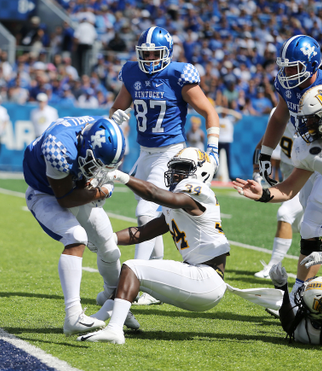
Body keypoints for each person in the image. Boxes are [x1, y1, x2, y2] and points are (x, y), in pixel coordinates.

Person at [78, 148, 281, 344]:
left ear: (201, 172)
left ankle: (114, 329)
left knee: (132, 267)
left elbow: (154, 194)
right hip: (199, 280)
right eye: (175, 167)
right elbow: (142, 233)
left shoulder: (199, 192)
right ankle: (109, 315)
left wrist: (121, 177)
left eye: (183, 167)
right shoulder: (178, 204)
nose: (175, 173)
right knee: (133, 273)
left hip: (206, 279)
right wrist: (107, 239)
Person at [108, 26, 220, 305]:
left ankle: (135, 280)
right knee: (153, 219)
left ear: (167, 53)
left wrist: (213, 147)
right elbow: (117, 108)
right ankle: (152, 283)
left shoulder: (177, 74)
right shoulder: (132, 72)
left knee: (146, 212)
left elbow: (209, 111)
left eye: (154, 53)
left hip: (170, 152)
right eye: (144, 54)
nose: (148, 59)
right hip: (144, 152)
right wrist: (118, 118)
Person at [257, 35, 322, 301]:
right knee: (320, 227)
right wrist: (265, 151)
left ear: (312, 64)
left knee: (312, 227)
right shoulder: (287, 88)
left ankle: (300, 293)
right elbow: (280, 113)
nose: (286, 75)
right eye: (283, 67)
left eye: (293, 68)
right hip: (311, 153)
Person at [23, 116, 131, 335]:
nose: (100, 171)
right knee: (77, 236)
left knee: (109, 246)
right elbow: (65, 198)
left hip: (72, 185)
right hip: (45, 192)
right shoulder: (59, 148)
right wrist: (101, 191)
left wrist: (92, 184)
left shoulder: (92, 129)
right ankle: (72, 316)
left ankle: (116, 304)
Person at [235, 85, 322, 278]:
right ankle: (300, 293)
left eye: (311, 118)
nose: (304, 124)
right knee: (314, 230)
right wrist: (264, 194)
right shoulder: (310, 149)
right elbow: (290, 187)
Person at [252, 110, 304, 279]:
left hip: (315, 173)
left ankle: (273, 267)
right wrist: (257, 175)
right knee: (306, 224)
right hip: (293, 175)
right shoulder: (279, 112)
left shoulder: (312, 107)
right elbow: (261, 146)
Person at [268, 252, 322, 345]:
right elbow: (288, 326)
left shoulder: (306, 334)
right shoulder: (305, 334)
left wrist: (280, 286)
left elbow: (289, 325)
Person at [216, 105, 242, 182]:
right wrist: (221, 109)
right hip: (219, 141)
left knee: (228, 160)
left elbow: (239, 116)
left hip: (227, 141)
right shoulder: (218, 119)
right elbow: (213, 112)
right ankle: (214, 175)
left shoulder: (229, 119)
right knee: (216, 159)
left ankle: (229, 175)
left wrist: (229, 111)